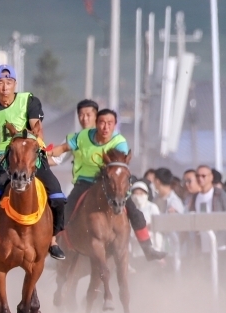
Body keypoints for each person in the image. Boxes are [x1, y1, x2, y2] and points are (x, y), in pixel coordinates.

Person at [0, 65, 67, 266]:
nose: (5, 88)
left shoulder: (29, 101)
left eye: (9, 83)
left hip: (30, 158)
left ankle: (53, 240)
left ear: (15, 84)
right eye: (0, 83)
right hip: (4, 162)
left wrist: (33, 145)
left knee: (58, 196)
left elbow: (36, 128)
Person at [49, 103, 166, 261]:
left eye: (109, 124)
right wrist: (47, 151)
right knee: (65, 210)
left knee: (135, 212)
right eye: (102, 123)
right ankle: (56, 245)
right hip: (84, 182)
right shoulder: (81, 137)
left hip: (111, 185)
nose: (105, 127)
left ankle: (148, 249)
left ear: (114, 125)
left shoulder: (120, 143)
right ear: (97, 123)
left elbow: (119, 167)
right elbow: (62, 150)